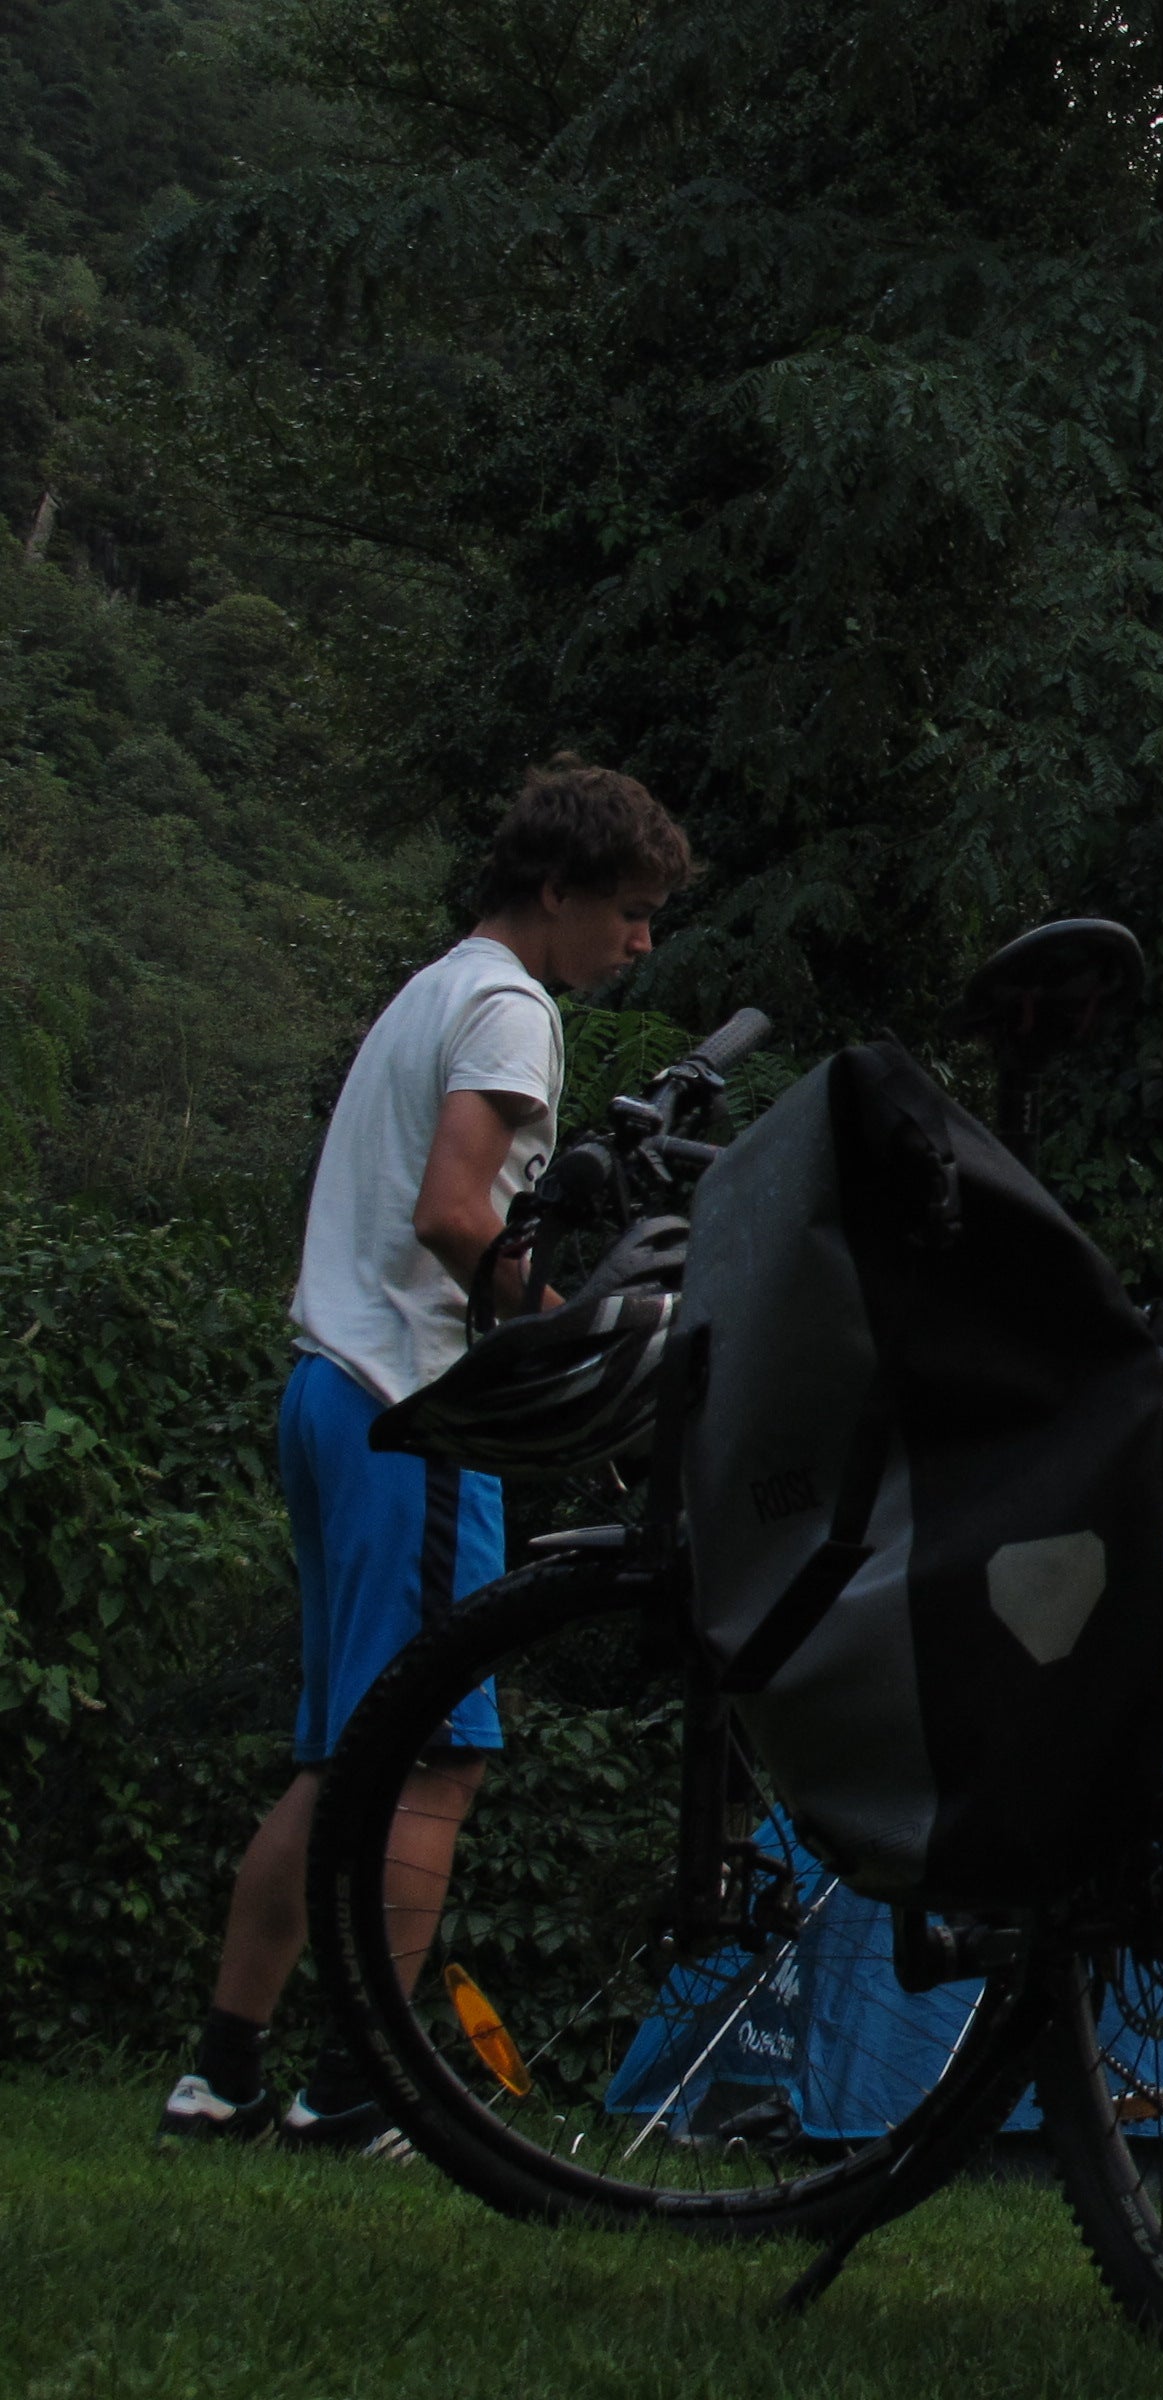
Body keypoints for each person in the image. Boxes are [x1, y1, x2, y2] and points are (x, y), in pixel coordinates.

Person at [160, 760, 690, 2154]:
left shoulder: (432, 987)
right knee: (434, 1757)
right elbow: (460, 1209)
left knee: (344, 1756)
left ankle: (221, 2075)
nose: (640, 944)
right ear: (559, 892)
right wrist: (562, 1339)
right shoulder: (512, 1008)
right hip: (415, 1408)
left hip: (329, 1392)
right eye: (630, 914)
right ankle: (357, 2090)